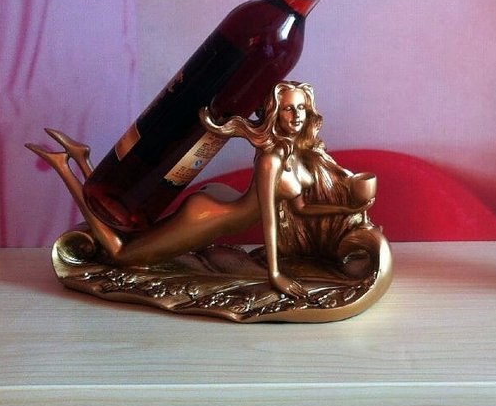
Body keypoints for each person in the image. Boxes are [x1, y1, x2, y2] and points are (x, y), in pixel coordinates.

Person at [30, 81, 375, 299]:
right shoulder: (270, 159)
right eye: (288, 108)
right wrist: (275, 274)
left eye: (301, 107)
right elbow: (269, 220)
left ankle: (82, 158)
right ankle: (65, 167)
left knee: (135, 237)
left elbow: (299, 208)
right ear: (275, 113)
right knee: (122, 255)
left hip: (222, 206)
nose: (296, 115)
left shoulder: (293, 154)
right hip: (212, 217)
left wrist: (348, 210)